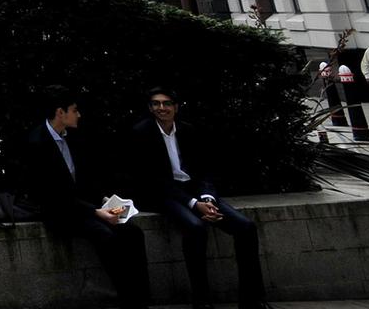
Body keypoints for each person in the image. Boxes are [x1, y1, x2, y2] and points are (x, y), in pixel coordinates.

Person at [129, 86, 264, 309]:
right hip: (165, 194)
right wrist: (194, 204)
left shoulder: (189, 131)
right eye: (156, 104)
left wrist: (208, 198)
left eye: (166, 103)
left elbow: (205, 171)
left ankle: (252, 300)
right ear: (150, 108)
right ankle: (201, 300)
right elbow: (154, 181)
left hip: (196, 192)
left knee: (246, 227)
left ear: (176, 107)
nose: (161, 108)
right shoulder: (141, 133)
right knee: (195, 228)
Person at [20, 86, 148, 309]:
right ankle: (129, 300)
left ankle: (142, 298)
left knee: (133, 232)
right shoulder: (37, 143)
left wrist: (104, 199)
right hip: (59, 211)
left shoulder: (74, 136)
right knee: (105, 235)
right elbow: (51, 195)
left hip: (83, 205)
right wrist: (95, 211)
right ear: (60, 112)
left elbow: (87, 177)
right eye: (74, 110)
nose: (79, 115)